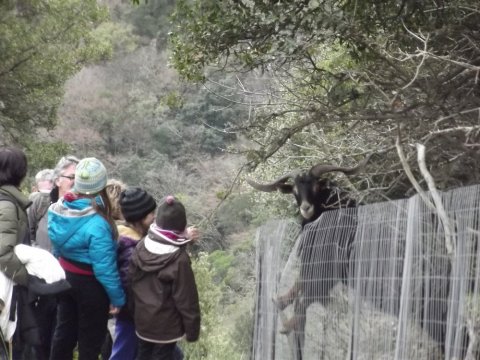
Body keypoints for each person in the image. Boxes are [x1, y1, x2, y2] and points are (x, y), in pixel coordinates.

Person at [48, 157, 125, 360]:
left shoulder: (58, 209)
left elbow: (56, 247)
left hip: (65, 277)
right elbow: (104, 268)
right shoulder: (98, 223)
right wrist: (117, 298)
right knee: (90, 342)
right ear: (101, 186)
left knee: (63, 333)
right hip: (90, 286)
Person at [130, 195, 201, 360]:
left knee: (142, 355)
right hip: (166, 328)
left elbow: (130, 283)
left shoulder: (141, 246)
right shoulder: (179, 259)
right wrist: (192, 331)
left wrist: (133, 311)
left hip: (142, 321)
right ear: (181, 226)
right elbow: (186, 298)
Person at [109, 187, 157, 360]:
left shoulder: (131, 238)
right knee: (122, 354)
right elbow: (128, 283)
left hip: (136, 314)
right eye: (152, 214)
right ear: (141, 218)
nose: (155, 217)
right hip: (132, 315)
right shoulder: (131, 248)